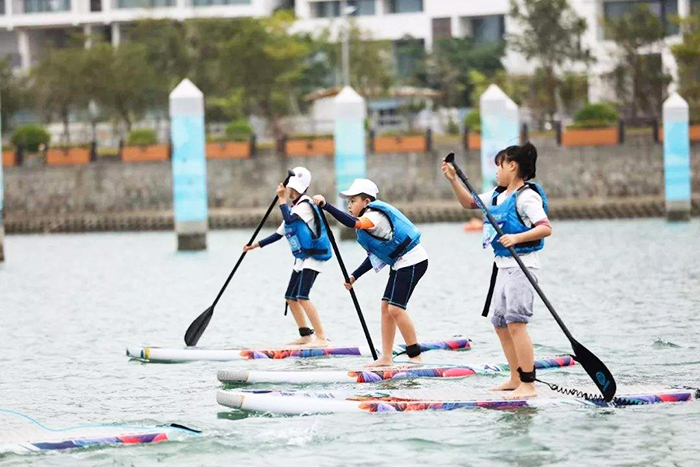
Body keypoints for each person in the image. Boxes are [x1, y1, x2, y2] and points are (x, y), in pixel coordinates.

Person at [442, 143, 552, 399]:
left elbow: (545, 227)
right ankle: (515, 378)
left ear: (512, 166)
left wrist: (516, 238)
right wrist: (453, 179)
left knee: (516, 323)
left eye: (499, 166)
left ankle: (529, 383)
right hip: (503, 267)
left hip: (522, 266)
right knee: (500, 324)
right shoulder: (496, 195)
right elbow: (469, 203)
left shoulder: (527, 197)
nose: (496, 172)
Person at [312, 179, 428, 367]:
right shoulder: (370, 222)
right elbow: (377, 256)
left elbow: (353, 223)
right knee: (385, 308)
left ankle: (415, 357)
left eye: (353, 200)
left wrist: (326, 206)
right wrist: (354, 276)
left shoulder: (374, 216)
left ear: (366, 202)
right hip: (400, 263)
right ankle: (387, 358)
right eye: (348, 201)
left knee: (395, 309)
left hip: (413, 260)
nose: (349, 205)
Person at [244, 167, 332, 347]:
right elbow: (278, 234)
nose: (289, 192)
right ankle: (306, 335)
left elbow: (290, 221)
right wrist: (255, 245)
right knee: (290, 297)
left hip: (314, 257)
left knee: (302, 296)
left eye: (291, 189)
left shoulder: (306, 205)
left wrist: (282, 199)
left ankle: (321, 337)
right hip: (302, 259)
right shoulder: (293, 209)